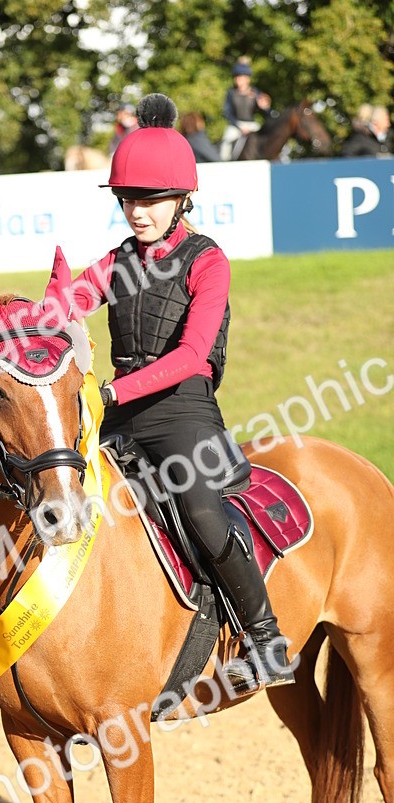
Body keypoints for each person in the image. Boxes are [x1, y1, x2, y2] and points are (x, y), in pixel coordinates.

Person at [70, 93, 294, 692]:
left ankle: (266, 636)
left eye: (150, 198)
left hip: (182, 414)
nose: (136, 212)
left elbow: (193, 356)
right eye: (127, 199)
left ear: (182, 199)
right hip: (117, 417)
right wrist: (20, 320)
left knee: (200, 510)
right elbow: (66, 303)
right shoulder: (115, 263)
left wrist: (113, 394)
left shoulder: (208, 260)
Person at [220, 59, 271, 160]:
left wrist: (265, 108)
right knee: (226, 141)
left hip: (252, 125)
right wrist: (238, 126)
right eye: (237, 77)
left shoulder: (255, 93)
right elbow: (227, 113)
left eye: (242, 77)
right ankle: (224, 162)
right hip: (236, 125)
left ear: (248, 79)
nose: (239, 80)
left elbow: (266, 111)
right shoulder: (231, 93)